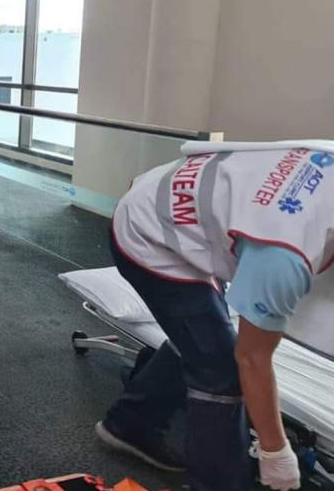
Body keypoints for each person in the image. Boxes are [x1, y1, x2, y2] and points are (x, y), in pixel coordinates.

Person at [98, 141, 334, 491]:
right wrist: (275, 452)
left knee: (201, 335)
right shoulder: (284, 254)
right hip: (148, 234)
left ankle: (131, 423)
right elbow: (251, 359)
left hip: (181, 200)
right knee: (222, 368)